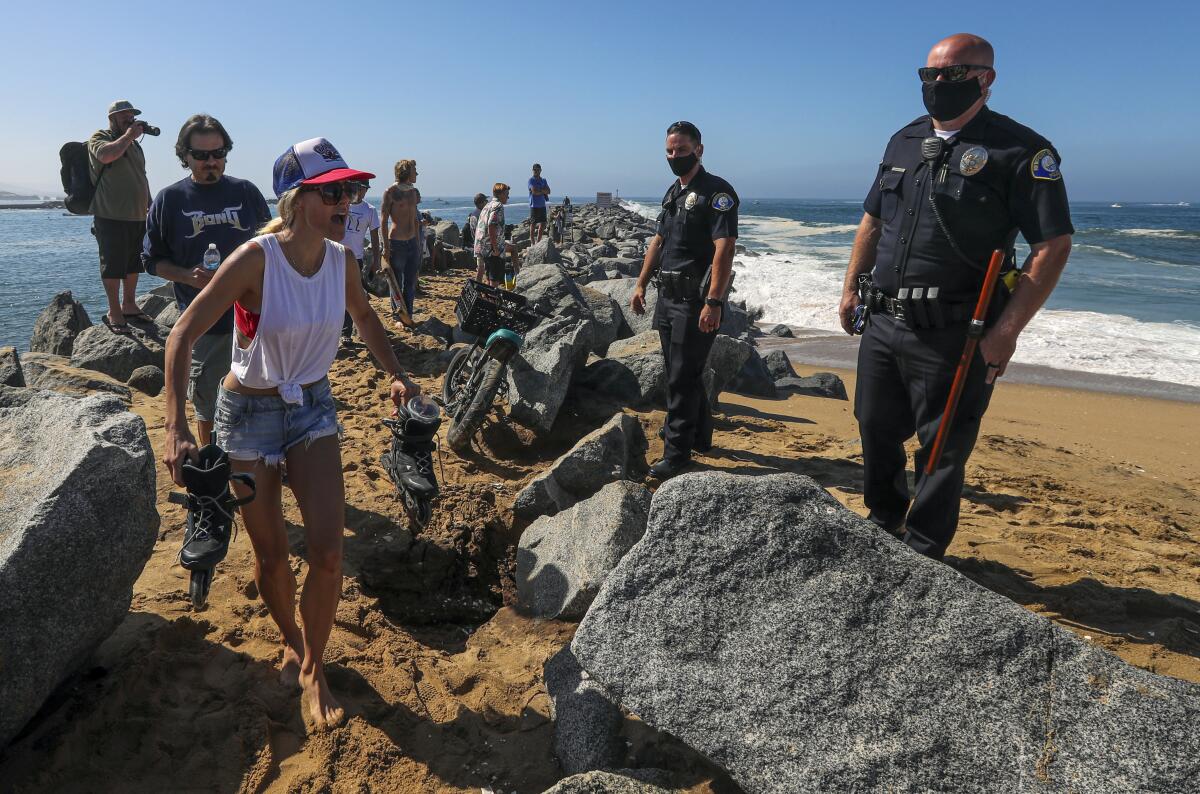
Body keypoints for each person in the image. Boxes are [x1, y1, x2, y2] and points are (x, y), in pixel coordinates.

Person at [162, 137, 420, 728]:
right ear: (297, 199)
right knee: (273, 554)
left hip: (312, 407)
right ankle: (291, 640)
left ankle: (313, 667)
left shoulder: (342, 261)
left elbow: (366, 317)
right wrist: (176, 427)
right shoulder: (257, 259)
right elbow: (181, 335)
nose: (348, 202)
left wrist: (398, 376)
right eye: (334, 192)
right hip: (247, 415)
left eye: (352, 191)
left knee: (329, 550)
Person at [838, 33, 1073, 561]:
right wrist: (851, 285)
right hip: (883, 320)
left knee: (941, 450)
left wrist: (1005, 332)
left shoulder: (1022, 152)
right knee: (874, 426)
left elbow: (1053, 244)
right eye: (930, 75)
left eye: (953, 74)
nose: (938, 83)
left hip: (954, 331)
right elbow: (873, 218)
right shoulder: (903, 140)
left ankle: (923, 553)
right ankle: (882, 520)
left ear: (985, 80)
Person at [143, 114, 271, 446]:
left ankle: (260, 460)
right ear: (184, 155)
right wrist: (186, 275)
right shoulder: (170, 200)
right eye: (201, 155)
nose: (211, 161)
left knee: (262, 399)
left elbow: (273, 248)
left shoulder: (246, 193)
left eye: (218, 153)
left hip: (256, 321)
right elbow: (151, 260)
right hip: (204, 325)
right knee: (209, 405)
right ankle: (215, 464)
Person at [630, 121, 738, 479]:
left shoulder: (717, 193)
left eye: (680, 149)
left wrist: (714, 302)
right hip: (667, 298)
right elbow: (658, 242)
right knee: (682, 372)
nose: (674, 156)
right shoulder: (672, 193)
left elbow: (725, 249)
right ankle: (700, 435)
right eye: (669, 151)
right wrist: (641, 284)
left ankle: (677, 455)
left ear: (699, 150)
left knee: (681, 377)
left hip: (695, 302)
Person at [89, 100, 152, 334]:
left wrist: (151, 203)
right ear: (112, 118)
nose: (130, 118)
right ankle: (114, 310)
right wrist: (128, 136)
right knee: (113, 263)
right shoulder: (101, 137)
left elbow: (141, 175)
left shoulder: (135, 145)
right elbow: (106, 156)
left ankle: (129, 304)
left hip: (137, 214)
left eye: (132, 114)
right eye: (124, 115)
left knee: (133, 262)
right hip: (110, 214)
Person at [339, 180, 381, 340]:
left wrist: (376, 261)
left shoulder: (370, 210)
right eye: (359, 188)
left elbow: (375, 238)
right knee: (334, 294)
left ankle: (346, 333)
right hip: (334, 255)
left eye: (364, 189)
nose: (362, 192)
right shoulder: (342, 204)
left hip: (355, 258)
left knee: (350, 295)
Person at [380, 159, 422, 317]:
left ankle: (408, 315)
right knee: (396, 283)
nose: (416, 173)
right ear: (405, 171)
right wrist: (386, 246)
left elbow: (415, 220)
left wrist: (418, 243)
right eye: (414, 170)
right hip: (396, 243)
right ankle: (398, 315)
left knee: (410, 284)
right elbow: (383, 221)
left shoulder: (412, 191)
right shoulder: (390, 192)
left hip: (412, 242)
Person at [474, 183, 519, 287]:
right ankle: (493, 299)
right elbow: (491, 225)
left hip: (483, 247)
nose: (508, 196)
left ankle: (490, 300)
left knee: (490, 277)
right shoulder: (498, 206)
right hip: (492, 248)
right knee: (494, 280)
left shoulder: (487, 205)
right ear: (501, 194)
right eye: (506, 194)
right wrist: (495, 249)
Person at [528, 164, 551, 243]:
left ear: (540, 170)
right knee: (533, 223)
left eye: (538, 169)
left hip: (542, 205)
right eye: (535, 169)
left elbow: (549, 191)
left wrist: (539, 190)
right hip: (534, 205)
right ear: (532, 170)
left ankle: (538, 241)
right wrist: (542, 190)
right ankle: (532, 242)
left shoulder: (543, 180)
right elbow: (534, 192)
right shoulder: (531, 180)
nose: (536, 171)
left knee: (543, 223)